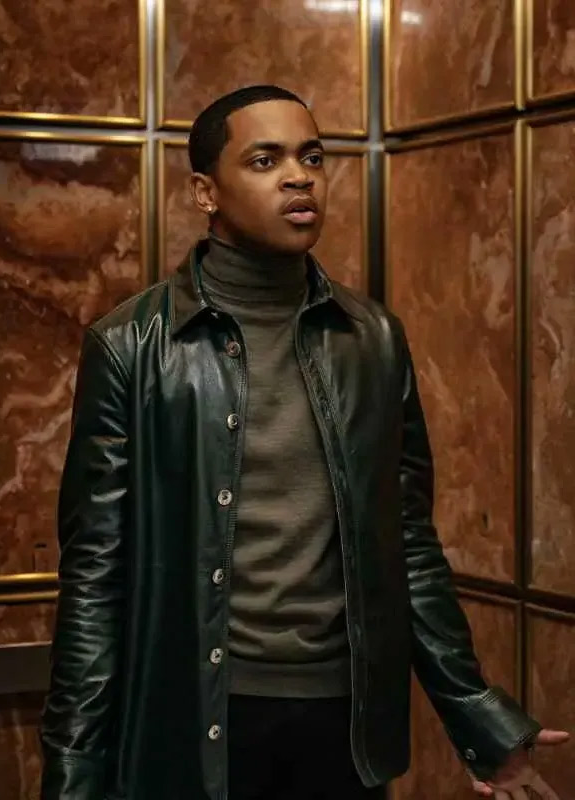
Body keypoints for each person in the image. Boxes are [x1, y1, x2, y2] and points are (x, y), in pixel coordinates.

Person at [40, 85, 569, 800]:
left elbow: (407, 546)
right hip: (195, 720)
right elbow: (95, 580)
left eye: (312, 157)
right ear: (205, 192)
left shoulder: (373, 340)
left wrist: (476, 715)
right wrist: (73, 773)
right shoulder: (132, 346)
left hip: (344, 725)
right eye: (265, 160)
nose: (299, 177)